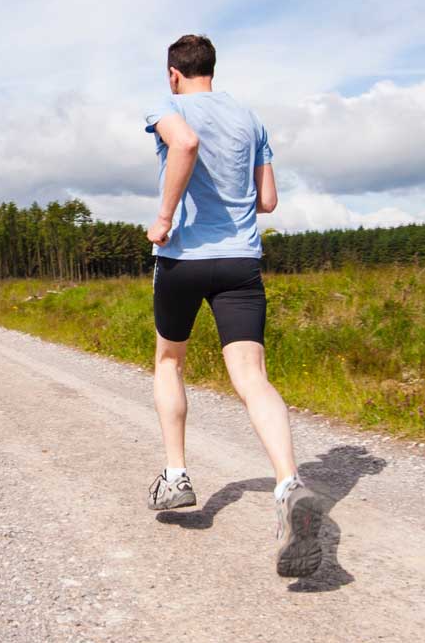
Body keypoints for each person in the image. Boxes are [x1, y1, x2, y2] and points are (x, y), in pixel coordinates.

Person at [141, 34, 320, 578]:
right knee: (251, 376)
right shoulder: (250, 117)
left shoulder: (167, 107)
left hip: (183, 259)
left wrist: (166, 217)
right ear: (211, 70)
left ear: (174, 73)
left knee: (170, 360)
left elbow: (185, 144)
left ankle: (176, 477)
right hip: (241, 261)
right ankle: (289, 482)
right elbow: (267, 200)